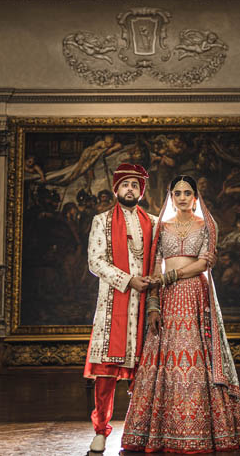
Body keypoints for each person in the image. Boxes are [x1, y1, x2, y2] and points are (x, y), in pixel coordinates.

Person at [121, 175, 240, 454]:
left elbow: (202, 264)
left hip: (195, 296)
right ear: (170, 196)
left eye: (188, 192)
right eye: (178, 193)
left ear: (196, 196)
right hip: (167, 297)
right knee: (164, 358)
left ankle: (199, 432)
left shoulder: (207, 225)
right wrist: (153, 305)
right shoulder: (160, 227)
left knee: (195, 357)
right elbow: (154, 266)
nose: (183, 197)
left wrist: (170, 277)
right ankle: (159, 433)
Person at [84, 163, 158, 454]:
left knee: (146, 373)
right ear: (116, 189)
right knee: (106, 374)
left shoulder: (153, 222)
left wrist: (149, 283)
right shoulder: (101, 220)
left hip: (147, 305)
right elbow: (95, 262)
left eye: (135, 185)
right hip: (114, 303)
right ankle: (101, 430)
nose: (130, 189)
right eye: (125, 185)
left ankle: (140, 431)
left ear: (141, 191)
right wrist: (129, 281)